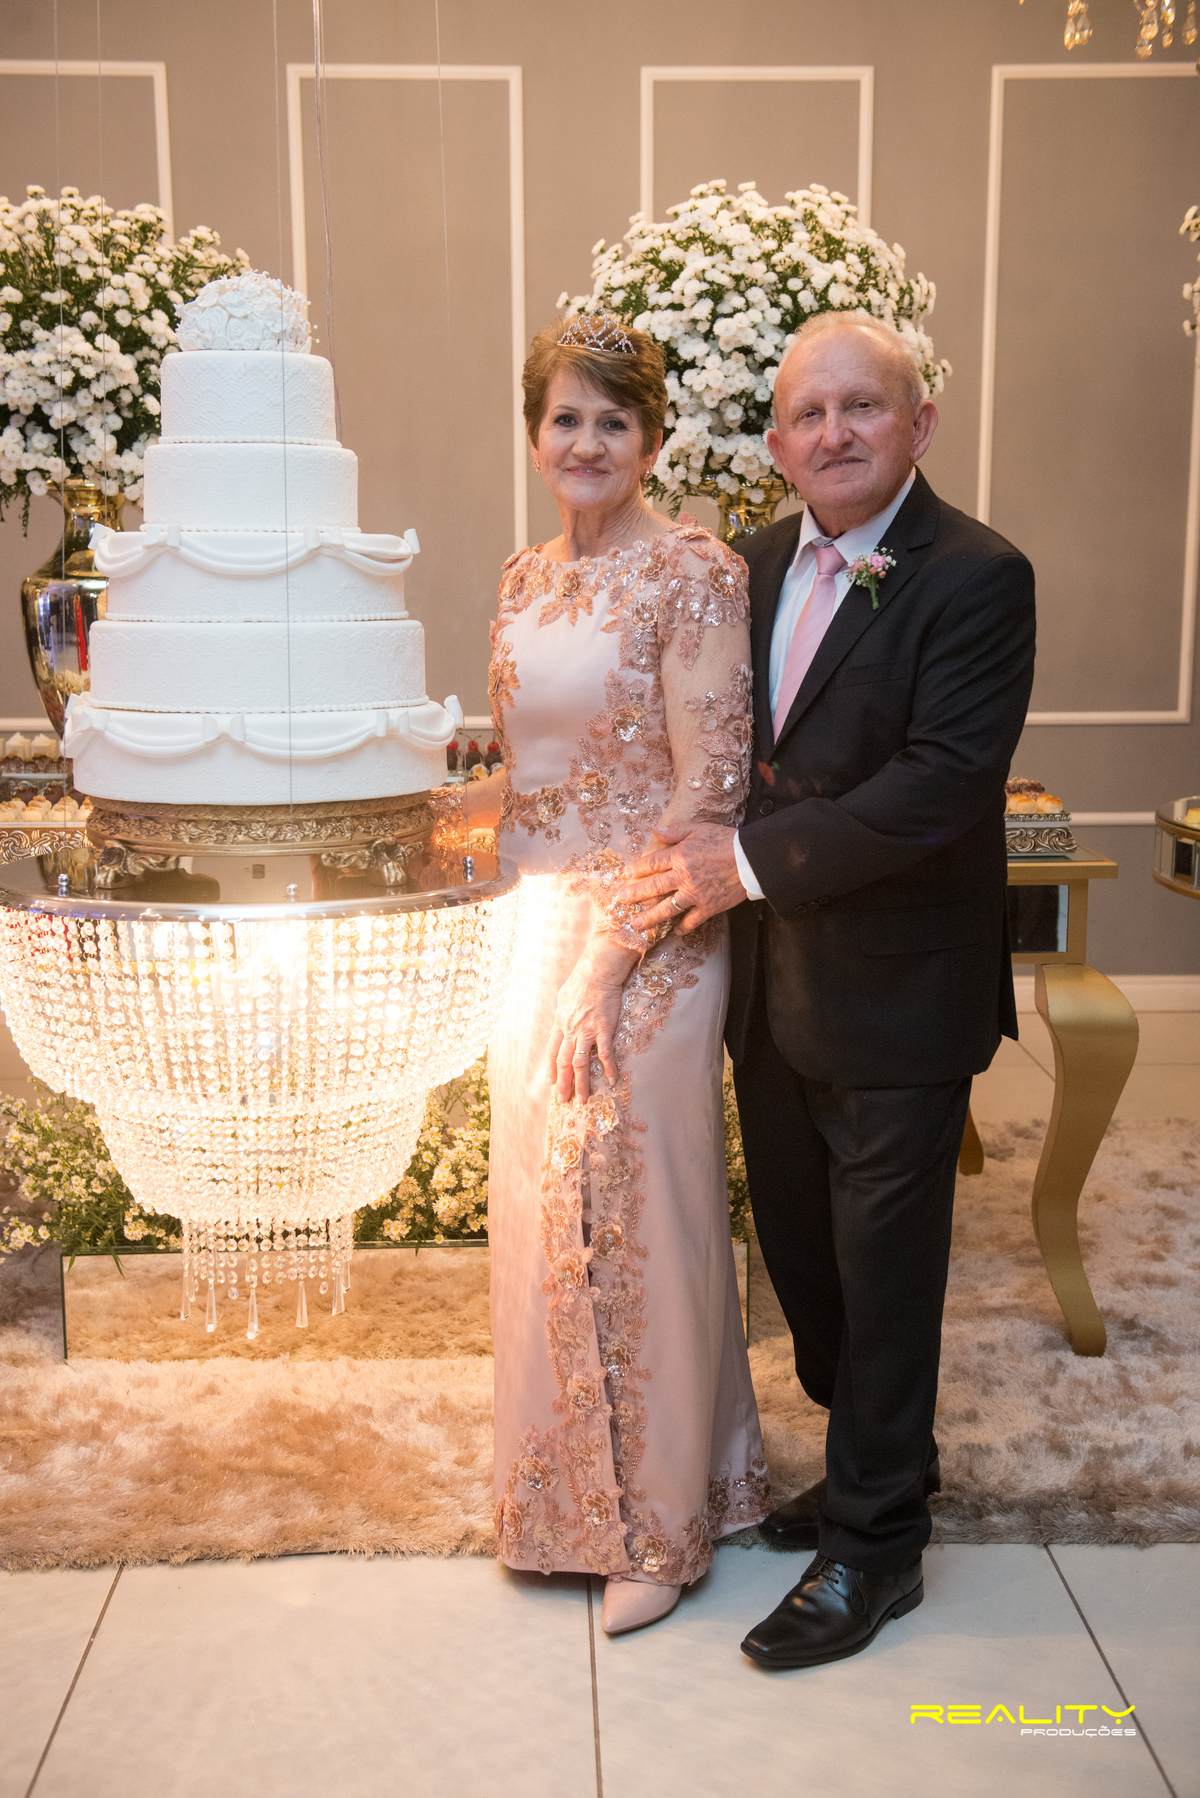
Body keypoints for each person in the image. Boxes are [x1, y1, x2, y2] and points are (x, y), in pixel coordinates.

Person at [616, 311, 1036, 1668]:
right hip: (768, 989)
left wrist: (743, 862)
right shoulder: (742, 566)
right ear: (778, 442)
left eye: (865, 406)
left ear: (920, 424)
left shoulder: (979, 575)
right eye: (809, 413)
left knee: (885, 1269)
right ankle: (874, 1458)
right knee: (802, 1257)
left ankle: (877, 1542)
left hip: (901, 993)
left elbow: (941, 784)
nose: (836, 432)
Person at [477, 311, 770, 1638]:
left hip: (651, 926)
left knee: (643, 1204)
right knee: (543, 1206)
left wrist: (609, 958)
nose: (586, 442)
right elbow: (526, 775)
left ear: (651, 440)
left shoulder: (694, 572)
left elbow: (710, 791)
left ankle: (661, 1520)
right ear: (536, 435)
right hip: (533, 920)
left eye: (614, 420)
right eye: (565, 418)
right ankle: (560, 1505)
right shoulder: (521, 578)